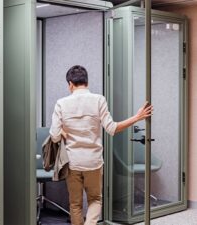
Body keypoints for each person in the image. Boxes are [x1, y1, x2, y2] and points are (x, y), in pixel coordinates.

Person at [49, 65, 153, 225]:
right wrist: (136, 117)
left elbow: (54, 137)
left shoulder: (61, 104)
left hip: (73, 162)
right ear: (87, 82)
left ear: (70, 83)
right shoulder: (99, 100)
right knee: (95, 200)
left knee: (75, 204)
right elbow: (112, 128)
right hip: (94, 162)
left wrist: (64, 132)